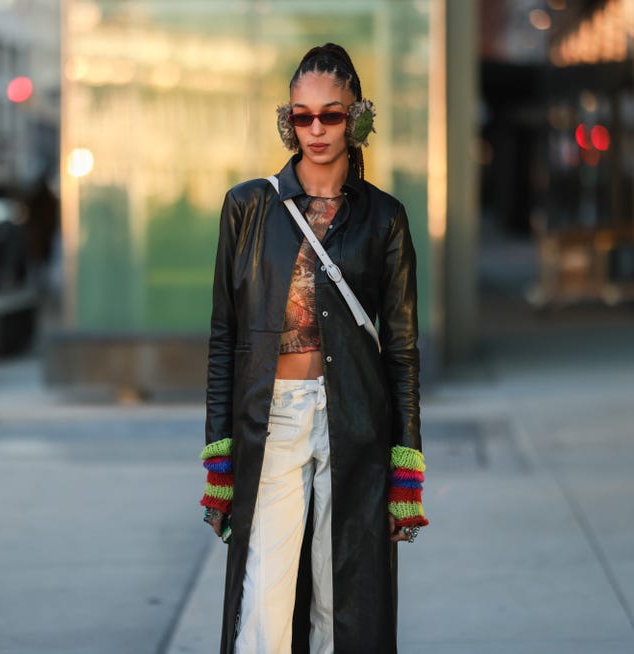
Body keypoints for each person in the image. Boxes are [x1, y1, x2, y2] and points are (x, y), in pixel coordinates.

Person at [199, 43, 429, 654]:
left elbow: (402, 349)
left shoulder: (385, 219)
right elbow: (225, 336)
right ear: (288, 121)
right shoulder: (248, 207)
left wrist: (407, 463)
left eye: (331, 114)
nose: (317, 129)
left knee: (344, 604)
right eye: (302, 116)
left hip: (356, 421)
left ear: (357, 118)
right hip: (270, 419)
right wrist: (218, 453)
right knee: (263, 604)